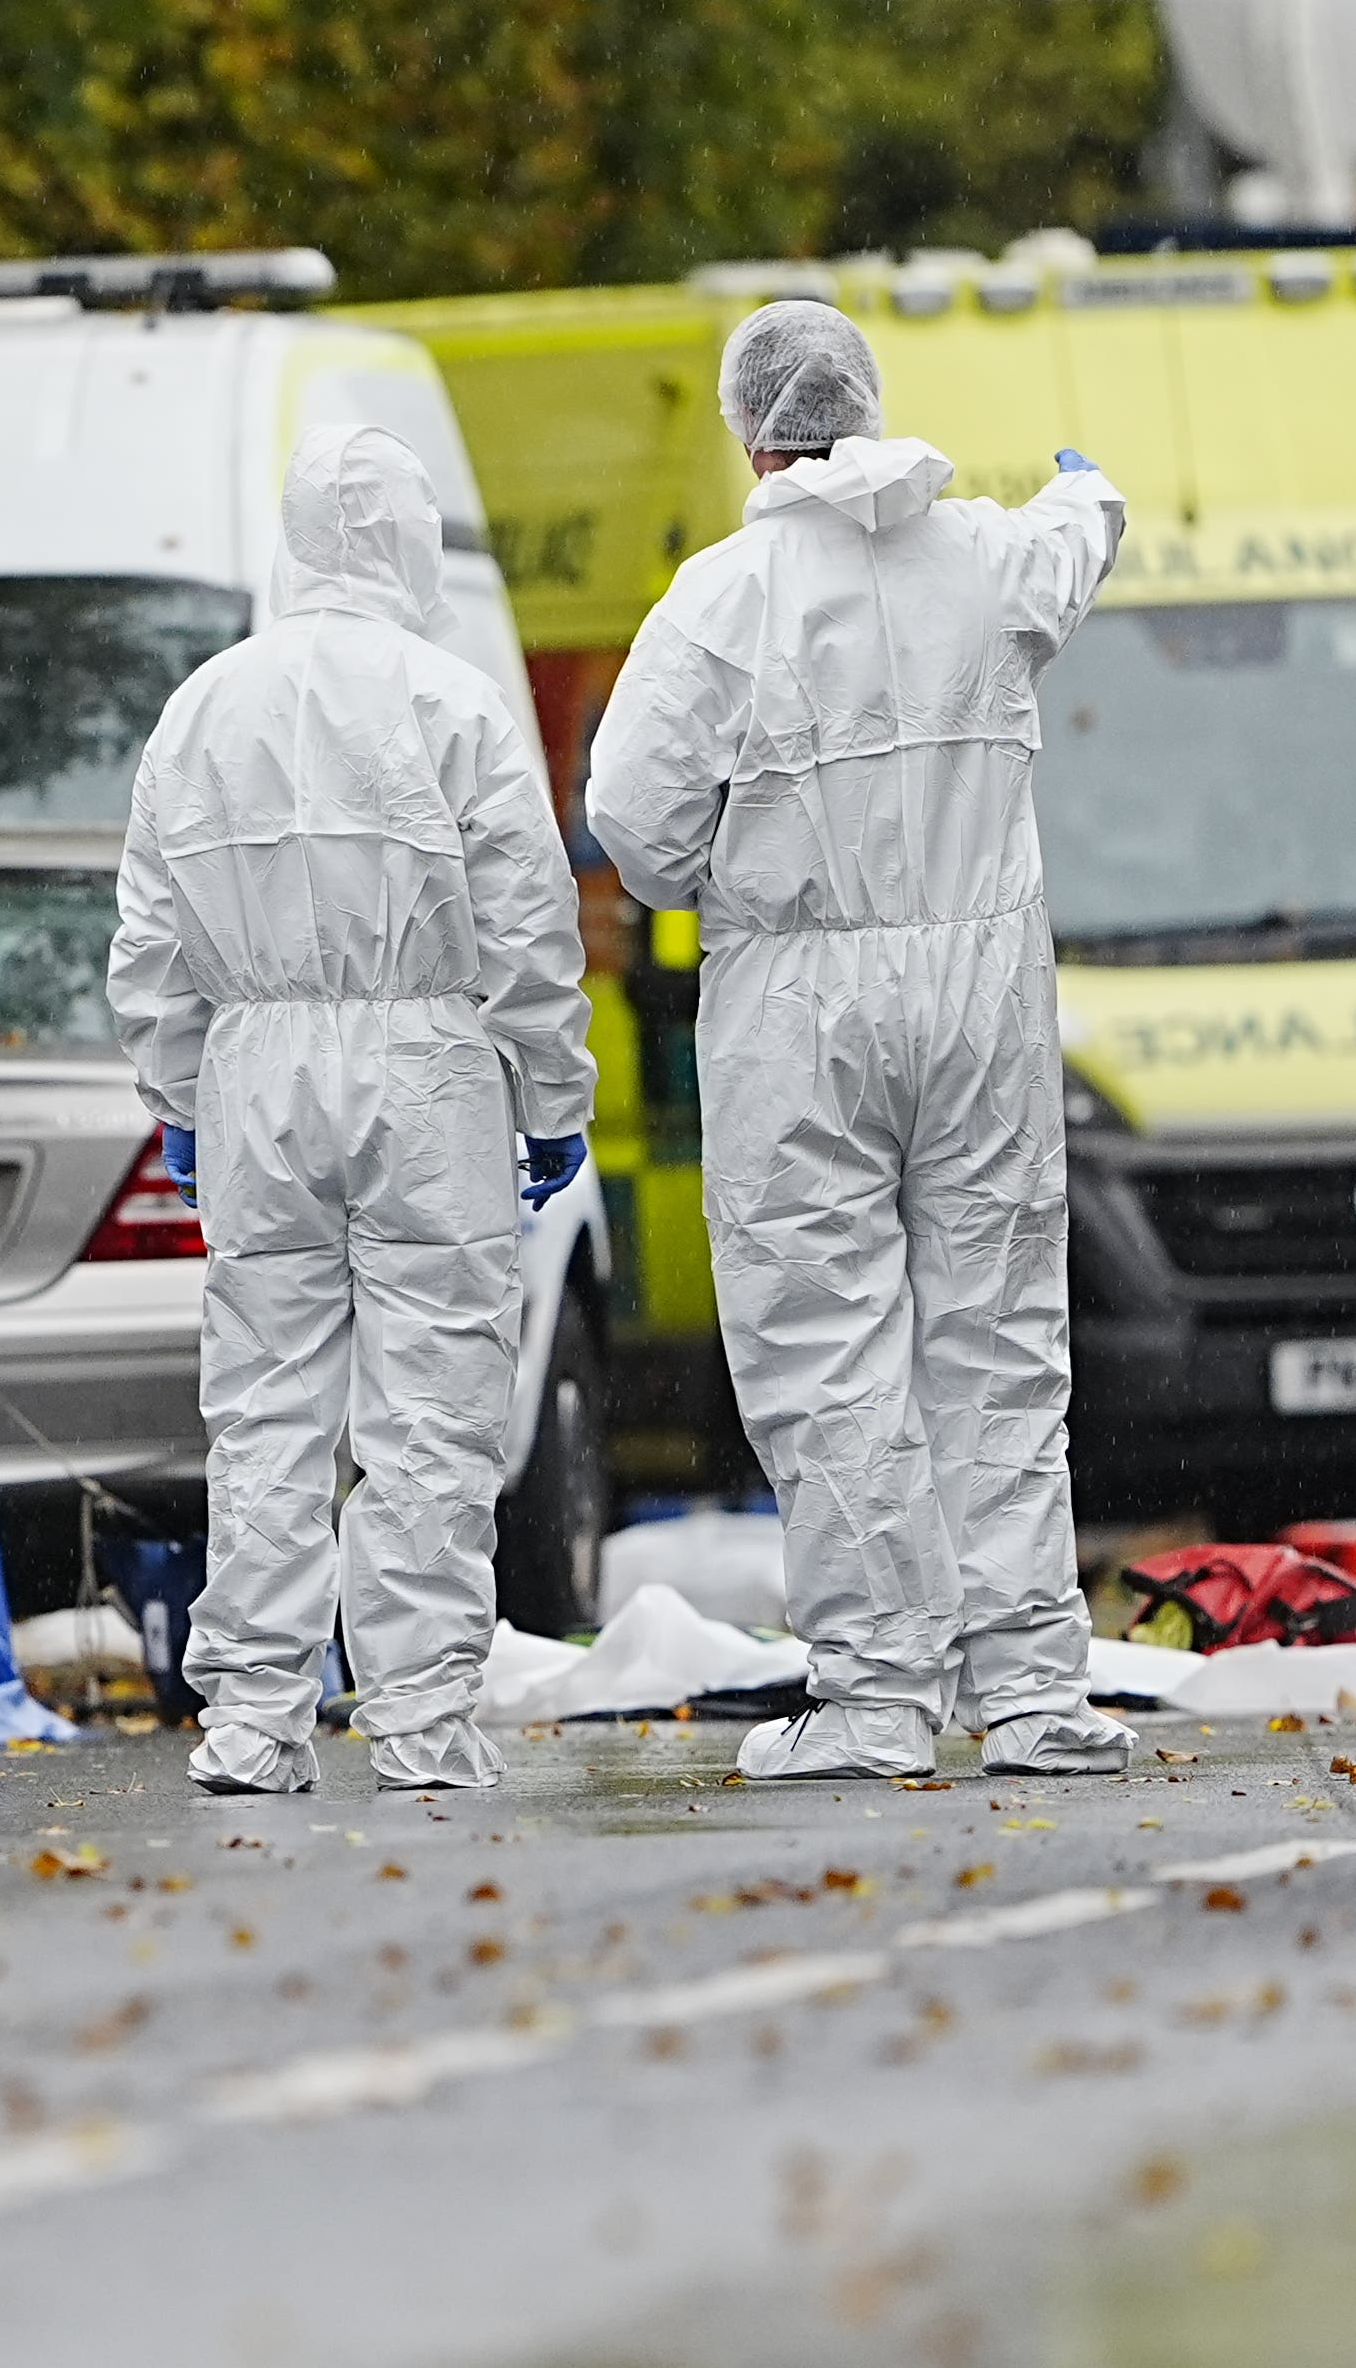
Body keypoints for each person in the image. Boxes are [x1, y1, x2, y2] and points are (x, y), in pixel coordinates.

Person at [586, 299, 1133, 1782]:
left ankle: (881, 1694)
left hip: (800, 999)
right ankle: (1028, 1692)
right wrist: (1085, 484)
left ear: (746, 429)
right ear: (874, 405)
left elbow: (634, 822)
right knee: (1001, 1342)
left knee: (828, 1348)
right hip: (979, 994)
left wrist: (735, 866)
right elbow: (1085, 530)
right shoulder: (985, 556)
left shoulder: (722, 599)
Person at [103, 430, 595, 1797]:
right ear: (412, 543)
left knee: (264, 1411)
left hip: (258, 1078)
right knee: (431, 1411)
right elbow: (528, 925)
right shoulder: (456, 703)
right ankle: (425, 1722)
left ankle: (254, 1720)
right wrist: (551, 1091)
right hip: (431, 1076)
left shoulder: (204, 706)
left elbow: (148, 941)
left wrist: (182, 1090)